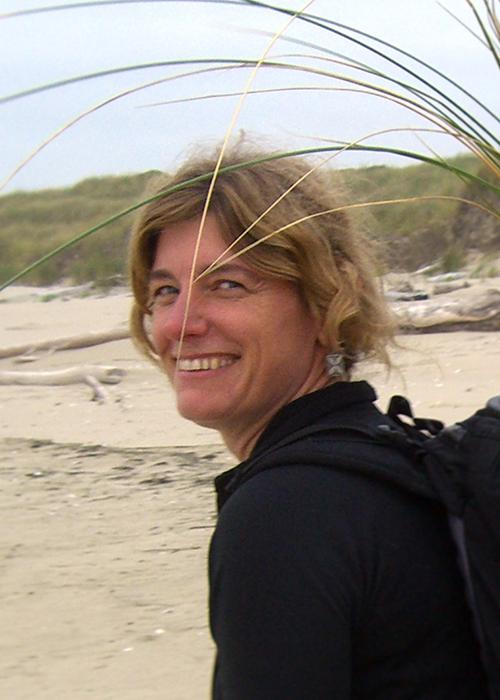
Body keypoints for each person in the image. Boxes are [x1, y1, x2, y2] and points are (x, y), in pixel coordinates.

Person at [128, 143, 488, 699]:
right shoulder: (397, 458)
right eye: (165, 291)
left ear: (326, 303)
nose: (180, 324)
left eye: (228, 284)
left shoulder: (285, 513)